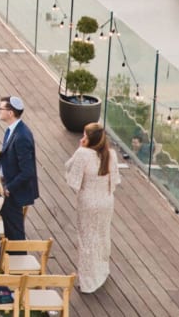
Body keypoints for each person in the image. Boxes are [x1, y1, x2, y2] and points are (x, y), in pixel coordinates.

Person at [66, 122, 121, 293]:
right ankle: (102, 270)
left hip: (88, 202)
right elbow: (115, 181)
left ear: (91, 140)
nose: (82, 139)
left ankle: (88, 280)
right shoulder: (111, 154)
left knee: (87, 239)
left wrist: (78, 149)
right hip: (106, 201)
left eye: (85, 136)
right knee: (103, 235)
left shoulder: (83, 154)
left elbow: (70, 173)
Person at [0, 95, 39, 240]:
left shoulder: (21, 136)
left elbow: (27, 171)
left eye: (1, 108)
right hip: (6, 185)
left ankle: (17, 257)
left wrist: (9, 188)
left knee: (14, 231)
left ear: (10, 112)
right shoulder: (11, 130)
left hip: (13, 193)